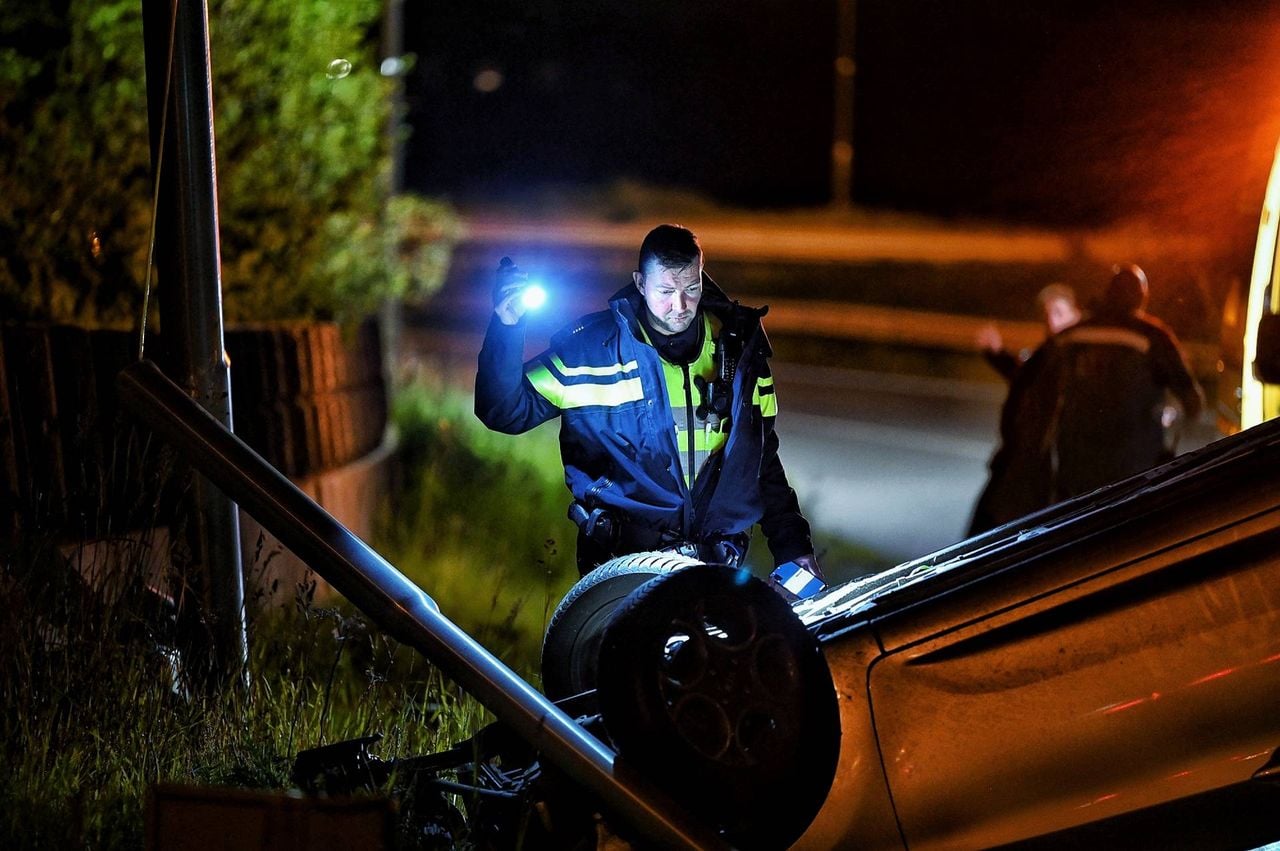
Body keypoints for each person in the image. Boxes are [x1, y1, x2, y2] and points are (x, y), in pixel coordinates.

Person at [474, 223, 821, 582]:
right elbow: (503, 412)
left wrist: (792, 544)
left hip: (717, 568)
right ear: (640, 283)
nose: (680, 305)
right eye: (666, 290)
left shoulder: (739, 349)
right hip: (622, 568)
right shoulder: (591, 352)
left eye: (691, 288)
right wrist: (507, 327)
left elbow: (761, 457)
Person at [1035, 263, 1204, 501]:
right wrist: (1172, 433)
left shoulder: (1072, 336)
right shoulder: (1153, 337)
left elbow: (1037, 384)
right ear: (1142, 298)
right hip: (1134, 467)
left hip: (1075, 465)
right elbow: (1192, 399)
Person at [968, 284, 1082, 535]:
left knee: (997, 529)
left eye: (1059, 313)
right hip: (1019, 457)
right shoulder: (1050, 351)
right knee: (988, 527)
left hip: (1038, 465)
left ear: (1077, 314)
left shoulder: (1076, 355)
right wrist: (997, 354)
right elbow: (1024, 377)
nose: (1052, 321)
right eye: (1047, 314)